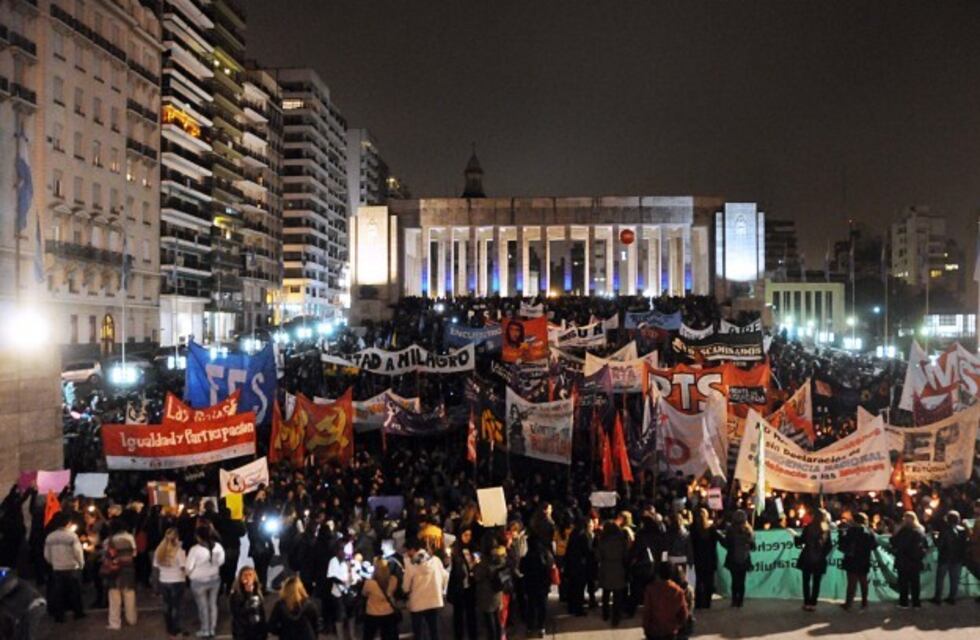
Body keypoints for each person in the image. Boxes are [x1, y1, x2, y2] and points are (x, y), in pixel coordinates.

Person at [402, 538, 449, 640]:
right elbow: (445, 576)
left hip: (417, 603)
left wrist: (405, 591)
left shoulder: (410, 564)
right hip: (434, 600)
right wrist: (440, 589)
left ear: (413, 550)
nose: (406, 553)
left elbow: (406, 586)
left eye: (407, 550)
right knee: (434, 631)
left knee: (419, 633)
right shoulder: (436, 560)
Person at [42, 512, 85, 623]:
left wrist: (53, 563)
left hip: (57, 568)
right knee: (75, 592)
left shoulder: (50, 536)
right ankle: (78, 613)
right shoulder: (72, 536)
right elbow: (78, 552)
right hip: (71, 567)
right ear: (68, 523)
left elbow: (46, 554)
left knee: (59, 593)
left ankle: (59, 616)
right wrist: (81, 564)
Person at [186, 524, 226, 638]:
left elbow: (189, 567)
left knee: (202, 606)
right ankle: (212, 629)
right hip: (214, 579)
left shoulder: (195, 550)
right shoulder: (218, 546)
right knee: (213, 605)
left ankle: (205, 629)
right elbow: (221, 562)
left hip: (198, 581)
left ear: (198, 536)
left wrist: (188, 575)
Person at [794, 508, 832, 611]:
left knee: (806, 581)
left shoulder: (808, 528)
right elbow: (829, 546)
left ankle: (807, 603)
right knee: (816, 582)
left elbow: (801, 541)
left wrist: (795, 537)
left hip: (807, 557)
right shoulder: (826, 529)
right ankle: (813, 603)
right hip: (819, 559)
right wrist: (822, 554)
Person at [838, 512, 877, 610]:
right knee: (863, 581)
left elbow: (843, 545)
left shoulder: (851, 531)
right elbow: (874, 546)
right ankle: (864, 602)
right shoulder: (868, 532)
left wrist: (841, 534)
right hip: (864, 559)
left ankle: (848, 603)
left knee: (852, 582)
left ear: (854, 521)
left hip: (852, 559)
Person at [153, 527, 187, 639]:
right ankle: (176, 629)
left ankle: (169, 628)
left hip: (164, 580)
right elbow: (183, 567)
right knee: (176, 606)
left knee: (167, 605)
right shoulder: (179, 551)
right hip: (177, 581)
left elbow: (156, 568)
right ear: (177, 538)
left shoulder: (159, 551)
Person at [890, 511, 929, 609]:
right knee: (915, 583)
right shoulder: (920, 531)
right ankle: (916, 603)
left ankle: (904, 603)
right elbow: (925, 545)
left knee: (903, 583)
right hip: (915, 561)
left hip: (903, 561)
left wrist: (897, 530)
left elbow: (894, 542)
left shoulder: (903, 531)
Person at [641, 561, 689, 640]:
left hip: (653, 631)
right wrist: (677, 626)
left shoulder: (650, 589)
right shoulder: (677, 591)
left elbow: (647, 611)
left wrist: (646, 627)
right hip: (670, 631)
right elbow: (683, 613)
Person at [104, 518, 138, 630]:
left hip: (115, 571)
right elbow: (134, 553)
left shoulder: (110, 540)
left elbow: (107, 555)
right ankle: (131, 619)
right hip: (128, 569)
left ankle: (115, 623)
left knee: (114, 597)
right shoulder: (130, 537)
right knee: (129, 595)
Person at [596, 519, 629, 628]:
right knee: (617, 595)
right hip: (618, 567)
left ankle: (605, 614)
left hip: (606, 567)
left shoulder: (602, 540)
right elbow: (626, 555)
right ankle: (616, 617)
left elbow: (598, 556)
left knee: (606, 593)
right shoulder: (621, 541)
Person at [932, 510, 969, 605]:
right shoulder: (963, 530)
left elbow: (939, 545)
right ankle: (952, 598)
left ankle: (938, 598)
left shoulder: (944, 530)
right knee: (955, 580)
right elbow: (965, 545)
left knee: (940, 579)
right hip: (957, 558)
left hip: (945, 557)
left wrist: (934, 537)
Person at [447, 528, 478, 640]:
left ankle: (473, 635)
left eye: (469, 535)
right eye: (465, 535)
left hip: (470, 585)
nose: (468, 537)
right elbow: (451, 568)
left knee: (471, 613)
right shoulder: (455, 550)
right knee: (458, 615)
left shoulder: (473, 548)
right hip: (458, 587)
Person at [268, 576, 320, 640]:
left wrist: (281, 631)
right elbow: (316, 626)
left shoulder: (280, 606)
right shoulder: (309, 605)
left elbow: (271, 627)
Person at [360, 557, 399, 640]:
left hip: (372, 613)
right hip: (388, 612)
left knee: (368, 635)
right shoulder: (393, 580)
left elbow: (364, 594)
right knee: (387, 636)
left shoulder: (370, 583)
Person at [721, 510, 754, 608]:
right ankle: (740, 601)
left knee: (734, 580)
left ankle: (734, 600)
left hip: (733, 558)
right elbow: (752, 546)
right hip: (744, 558)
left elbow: (727, 544)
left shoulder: (730, 530)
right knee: (742, 580)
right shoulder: (748, 530)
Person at [473, 543, 506, 640]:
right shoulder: (499, 558)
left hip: (487, 593)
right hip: (497, 591)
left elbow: (477, 576)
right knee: (497, 618)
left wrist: (476, 565)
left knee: (490, 619)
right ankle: (499, 637)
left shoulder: (484, 562)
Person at [326, 544, 358, 640]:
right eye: (342, 551)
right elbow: (331, 577)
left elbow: (354, 576)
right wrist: (342, 582)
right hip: (338, 593)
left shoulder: (349, 562)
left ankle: (352, 635)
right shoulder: (333, 561)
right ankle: (341, 637)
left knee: (351, 614)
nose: (345, 554)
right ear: (337, 552)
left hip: (349, 592)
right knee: (339, 615)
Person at [690, 508, 718, 609]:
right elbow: (720, 540)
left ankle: (698, 603)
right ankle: (707, 602)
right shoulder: (711, 529)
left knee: (699, 581)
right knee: (709, 582)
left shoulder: (693, 529)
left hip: (698, 559)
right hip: (710, 559)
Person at [230, 566, 267, 640]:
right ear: (241, 578)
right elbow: (237, 612)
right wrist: (249, 594)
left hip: (257, 631)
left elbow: (261, 611)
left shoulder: (257, 591)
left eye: (250, 575)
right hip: (243, 632)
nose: (248, 578)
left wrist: (264, 630)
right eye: (245, 575)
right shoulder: (236, 594)